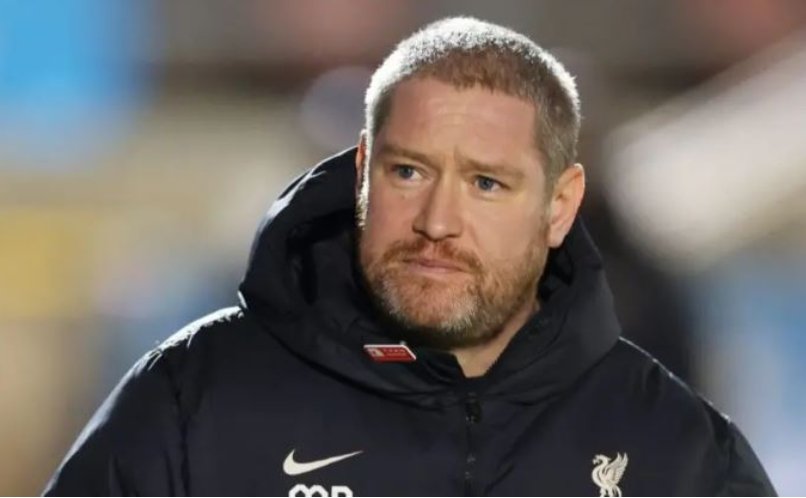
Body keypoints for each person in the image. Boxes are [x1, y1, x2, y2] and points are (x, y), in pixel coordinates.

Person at [44, 17, 775, 496]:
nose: (439, 222)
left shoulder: (677, 441)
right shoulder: (190, 397)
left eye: (486, 183)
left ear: (561, 206)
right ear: (362, 173)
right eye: (409, 172)